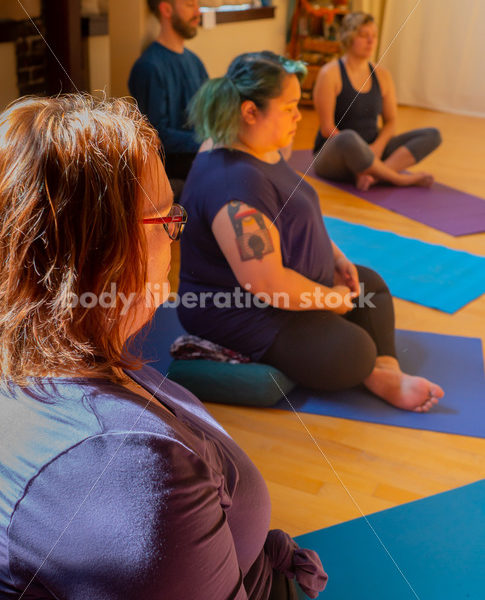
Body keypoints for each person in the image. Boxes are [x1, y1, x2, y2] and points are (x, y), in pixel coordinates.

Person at [0, 94, 328, 600]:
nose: (176, 235)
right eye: (166, 221)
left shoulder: (16, 350)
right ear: (93, 256)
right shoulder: (131, 475)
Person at [178, 51, 444, 412]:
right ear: (250, 112)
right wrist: (329, 298)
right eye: (288, 108)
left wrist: (334, 256)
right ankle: (370, 367)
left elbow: (298, 214)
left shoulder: (262, 147)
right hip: (242, 308)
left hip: (289, 285)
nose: (298, 116)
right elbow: (265, 285)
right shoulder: (233, 185)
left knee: (372, 288)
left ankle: (384, 371)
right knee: (354, 351)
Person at [312, 12, 442, 191]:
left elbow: (391, 121)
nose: (371, 41)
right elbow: (327, 128)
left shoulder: (383, 75)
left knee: (432, 134)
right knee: (348, 137)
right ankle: (398, 179)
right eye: (364, 35)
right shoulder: (330, 74)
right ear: (348, 37)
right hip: (336, 155)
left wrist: (377, 148)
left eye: (374, 36)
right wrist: (363, 153)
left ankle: (372, 177)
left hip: (373, 150)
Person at [128, 0, 208, 181]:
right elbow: (156, 135)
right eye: (189, 5)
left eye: (198, 4)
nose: (198, 11)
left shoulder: (195, 62)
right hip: (172, 176)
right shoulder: (149, 67)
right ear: (166, 9)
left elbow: (209, 115)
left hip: (202, 165)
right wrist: (208, 142)